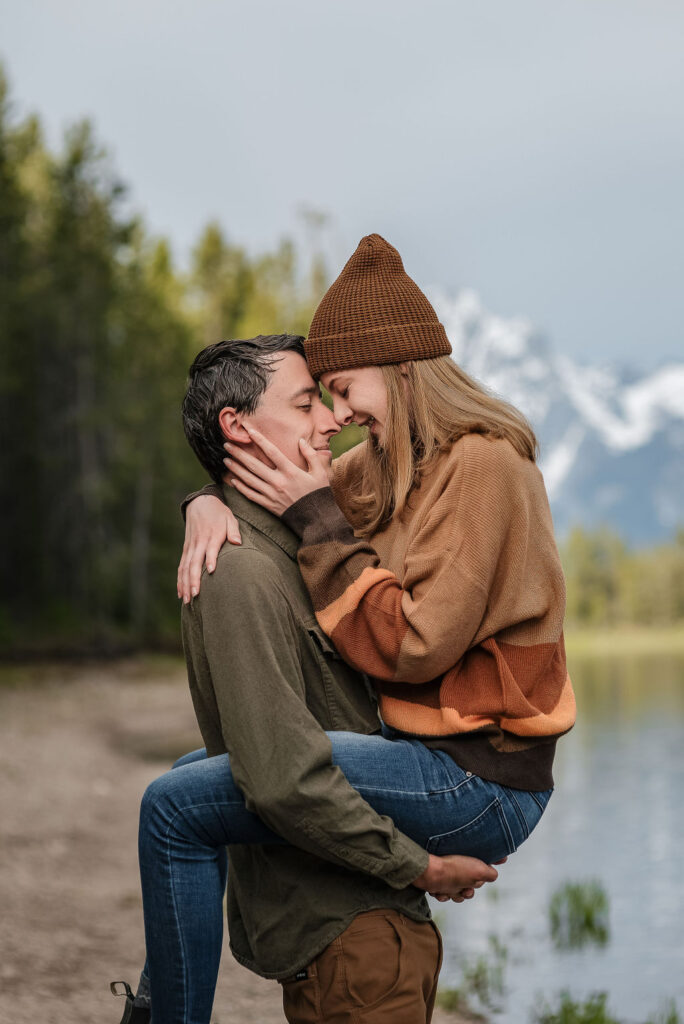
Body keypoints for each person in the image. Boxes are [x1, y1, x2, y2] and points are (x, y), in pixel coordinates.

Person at [122, 333, 502, 1024]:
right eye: (305, 403)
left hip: (375, 939)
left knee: (183, 781)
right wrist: (421, 868)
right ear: (237, 426)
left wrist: (203, 496)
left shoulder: (306, 541)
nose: (331, 419)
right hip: (348, 945)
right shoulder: (237, 571)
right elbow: (281, 780)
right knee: (176, 801)